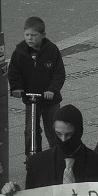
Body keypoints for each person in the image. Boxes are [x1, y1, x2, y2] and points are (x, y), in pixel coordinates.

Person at [8, 16, 66, 158]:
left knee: (53, 129)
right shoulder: (20, 52)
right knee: (31, 130)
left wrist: (52, 90)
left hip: (50, 100)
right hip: (31, 98)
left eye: (34, 35)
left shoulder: (51, 50)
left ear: (43, 35)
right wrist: (16, 87)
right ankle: (32, 157)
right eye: (27, 35)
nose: (30, 38)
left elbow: (59, 73)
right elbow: (13, 71)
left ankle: (57, 155)